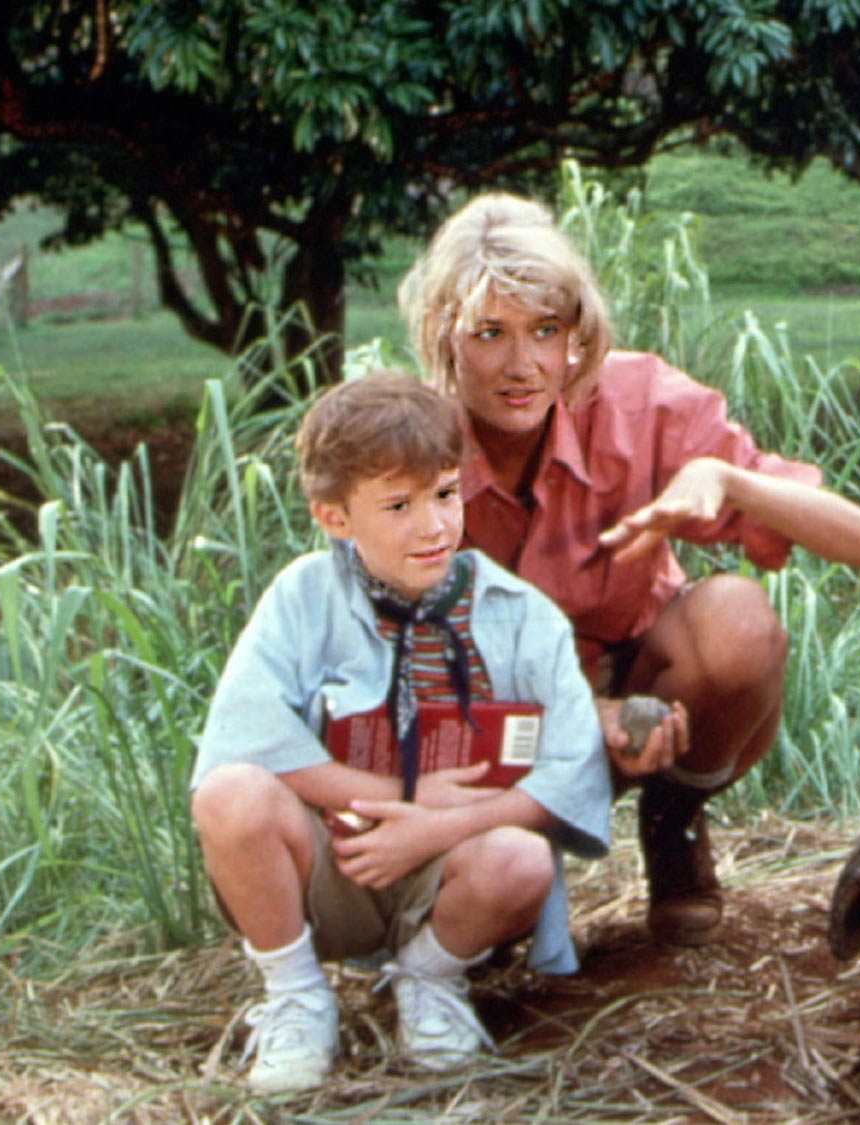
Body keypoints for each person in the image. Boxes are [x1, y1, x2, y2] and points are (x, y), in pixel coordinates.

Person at [397, 193, 860, 946]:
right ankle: (498, 871)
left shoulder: (638, 400)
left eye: (546, 330)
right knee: (480, 936)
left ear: (577, 333)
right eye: (490, 334)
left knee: (737, 622)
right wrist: (567, 721)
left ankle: (674, 815)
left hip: (645, 696)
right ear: (444, 336)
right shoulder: (405, 444)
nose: (522, 365)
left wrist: (729, 482)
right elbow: (391, 672)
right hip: (488, 720)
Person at [191, 373, 612, 1094]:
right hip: (333, 860)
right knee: (229, 792)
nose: (433, 525)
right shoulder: (302, 595)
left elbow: (572, 772)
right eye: (398, 504)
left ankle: (428, 980)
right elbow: (246, 733)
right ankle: (296, 996)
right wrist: (399, 792)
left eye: (445, 493)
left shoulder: (524, 613)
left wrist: (435, 825)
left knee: (520, 856)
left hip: (448, 869)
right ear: (335, 516)